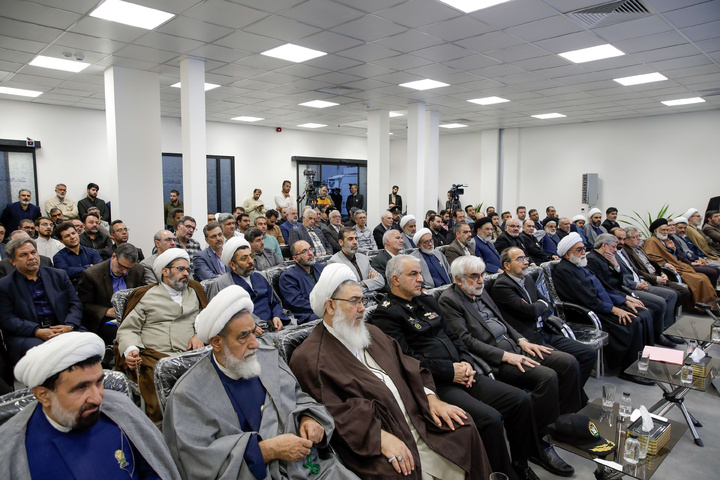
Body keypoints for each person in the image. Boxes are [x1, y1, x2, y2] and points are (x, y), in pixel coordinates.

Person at [290, 263, 492, 480]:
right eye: (355, 301)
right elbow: (330, 412)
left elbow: (410, 366)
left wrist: (432, 398)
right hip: (375, 437)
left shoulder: (372, 333)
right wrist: (379, 438)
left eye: (363, 300)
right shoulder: (309, 358)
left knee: (464, 427)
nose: (362, 309)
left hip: (416, 417)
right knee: (397, 473)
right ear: (330, 306)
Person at [372, 255, 550, 480]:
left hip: (463, 372)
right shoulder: (385, 314)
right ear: (395, 280)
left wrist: (466, 361)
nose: (421, 279)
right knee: (490, 418)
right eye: (413, 274)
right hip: (436, 385)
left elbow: (453, 336)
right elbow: (406, 360)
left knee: (520, 401)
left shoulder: (426, 300)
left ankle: (521, 460)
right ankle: (501, 473)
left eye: (420, 273)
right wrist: (450, 371)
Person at [163, 286, 355, 480]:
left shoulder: (266, 358)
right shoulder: (187, 395)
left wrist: (308, 418)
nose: (255, 343)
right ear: (217, 342)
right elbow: (199, 464)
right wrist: (267, 450)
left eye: (254, 332)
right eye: (243, 336)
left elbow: (297, 396)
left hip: (306, 466)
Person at [439, 255, 581, 477]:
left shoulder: (481, 290)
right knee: (547, 377)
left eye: (482, 275)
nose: (480, 281)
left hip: (516, 346)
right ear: (458, 279)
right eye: (474, 276)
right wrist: (506, 355)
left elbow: (503, 322)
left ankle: (560, 425)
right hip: (494, 359)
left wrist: (522, 341)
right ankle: (538, 444)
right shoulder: (449, 300)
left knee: (568, 362)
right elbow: (467, 341)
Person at [1, 332, 181, 480]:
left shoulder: (120, 409)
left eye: (98, 383)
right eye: (81, 388)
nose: (97, 398)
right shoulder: (14, 449)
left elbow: (153, 471)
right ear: (43, 395)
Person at [490, 248, 596, 403]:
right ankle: (572, 402)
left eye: (525, 257)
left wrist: (538, 306)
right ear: (507, 265)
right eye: (519, 259)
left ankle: (566, 398)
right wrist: (538, 306)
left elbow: (548, 304)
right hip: (528, 339)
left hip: (545, 330)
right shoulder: (502, 286)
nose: (526, 262)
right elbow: (532, 311)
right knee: (568, 362)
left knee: (588, 354)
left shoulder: (527, 279)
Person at [116, 249, 208, 421]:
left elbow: (207, 317)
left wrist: (199, 335)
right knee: (159, 392)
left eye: (187, 269)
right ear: (165, 271)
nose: (186, 273)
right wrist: (131, 350)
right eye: (180, 269)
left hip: (193, 354)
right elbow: (128, 329)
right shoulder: (146, 296)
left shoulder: (194, 290)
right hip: (157, 356)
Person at [551, 233, 651, 385]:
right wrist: (613, 309)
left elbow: (604, 286)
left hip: (602, 304)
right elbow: (585, 298)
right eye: (579, 250)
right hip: (587, 311)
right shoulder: (564, 270)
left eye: (584, 249)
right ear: (567, 254)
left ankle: (642, 361)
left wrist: (624, 301)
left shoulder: (580, 265)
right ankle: (627, 369)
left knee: (643, 314)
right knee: (633, 322)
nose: (584, 252)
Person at [0, 236, 82, 365]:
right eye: (23, 255)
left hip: (62, 326)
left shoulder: (59, 275)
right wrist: (36, 331)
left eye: (33, 252)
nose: (31, 257)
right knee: (46, 353)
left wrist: (69, 325)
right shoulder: (4, 285)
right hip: (28, 335)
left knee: (89, 343)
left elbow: (75, 304)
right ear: (12, 261)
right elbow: (7, 319)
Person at [207, 237, 288, 331]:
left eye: (251, 256)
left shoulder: (260, 276)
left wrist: (277, 316)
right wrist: (250, 327)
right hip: (247, 332)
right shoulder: (222, 284)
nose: (250, 261)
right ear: (232, 265)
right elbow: (224, 317)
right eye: (244, 258)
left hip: (273, 326)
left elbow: (274, 302)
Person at [78, 243, 145, 346]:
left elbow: (143, 294)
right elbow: (84, 305)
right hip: (106, 319)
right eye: (121, 266)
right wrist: (106, 311)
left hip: (132, 315)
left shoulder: (138, 270)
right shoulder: (91, 274)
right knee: (123, 335)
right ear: (114, 256)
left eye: (128, 268)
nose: (124, 271)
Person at [643, 218, 718, 307]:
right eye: (663, 230)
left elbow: (668, 256)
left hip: (678, 266)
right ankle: (702, 306)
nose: (665, 232)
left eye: (667, 230)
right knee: (699, 280)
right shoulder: (652, 241)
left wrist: (672, 249)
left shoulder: (662, 240)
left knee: (703, 277)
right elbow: (651, 257)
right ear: (655, 231)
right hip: (671, 270)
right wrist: (664, 264)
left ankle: (711, 304)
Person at [619, 226, 693, 309]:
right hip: (649, 279)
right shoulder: (626, 251)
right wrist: (655, 278)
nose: (639, 239)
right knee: (674, 294)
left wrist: (662, 273)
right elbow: (637, 271)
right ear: (627, 240)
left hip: (657, 275)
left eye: (639, 235)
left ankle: (671, 313)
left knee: (685, 292)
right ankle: (668, 316)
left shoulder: (639, 247)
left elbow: (652, 262)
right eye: (635, 237)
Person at [278, 241, 326, 324]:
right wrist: (324, 307)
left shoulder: (321, 268)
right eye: (305, 251)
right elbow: (297, 303)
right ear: (295, 258)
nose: (310, 253)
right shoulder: (288, 277)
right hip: (306, 315)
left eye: (310, 249)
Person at [328, 227, 385, 294]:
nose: (355, 242)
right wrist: (370, 284)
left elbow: (381, 281)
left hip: (371, 300)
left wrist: (363, 283)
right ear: (341, 242)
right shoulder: (335, 262)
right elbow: (345, 291)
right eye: (350, 239)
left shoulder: (363, 258)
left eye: (356, 238)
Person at [53, 220, 103, 289]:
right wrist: (89, 267)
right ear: (61, 240)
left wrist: (75, 277)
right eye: (67, 236)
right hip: (74, 293)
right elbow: (66, 273)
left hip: (94, 290)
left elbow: (100, 269)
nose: (72, 237)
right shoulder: (58, 257)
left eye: (73, 233)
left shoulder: (92, 252)